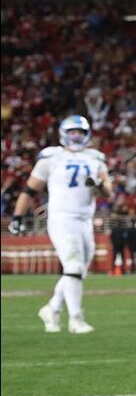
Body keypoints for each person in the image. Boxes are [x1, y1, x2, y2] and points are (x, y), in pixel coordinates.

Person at [9, 115, 112, 334]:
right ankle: (76, 320)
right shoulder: (51, 157)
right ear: (64, 134)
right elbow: (30, 190)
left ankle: (52, 308)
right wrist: (17, 216)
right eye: (72, 131)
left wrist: (98, 183)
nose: (76, 136)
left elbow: (108, 192)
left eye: (80, 132)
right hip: (61, 218)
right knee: (73, 266)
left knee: (78, 271)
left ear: (87, 134)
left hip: (85, 220)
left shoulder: (95, 158)